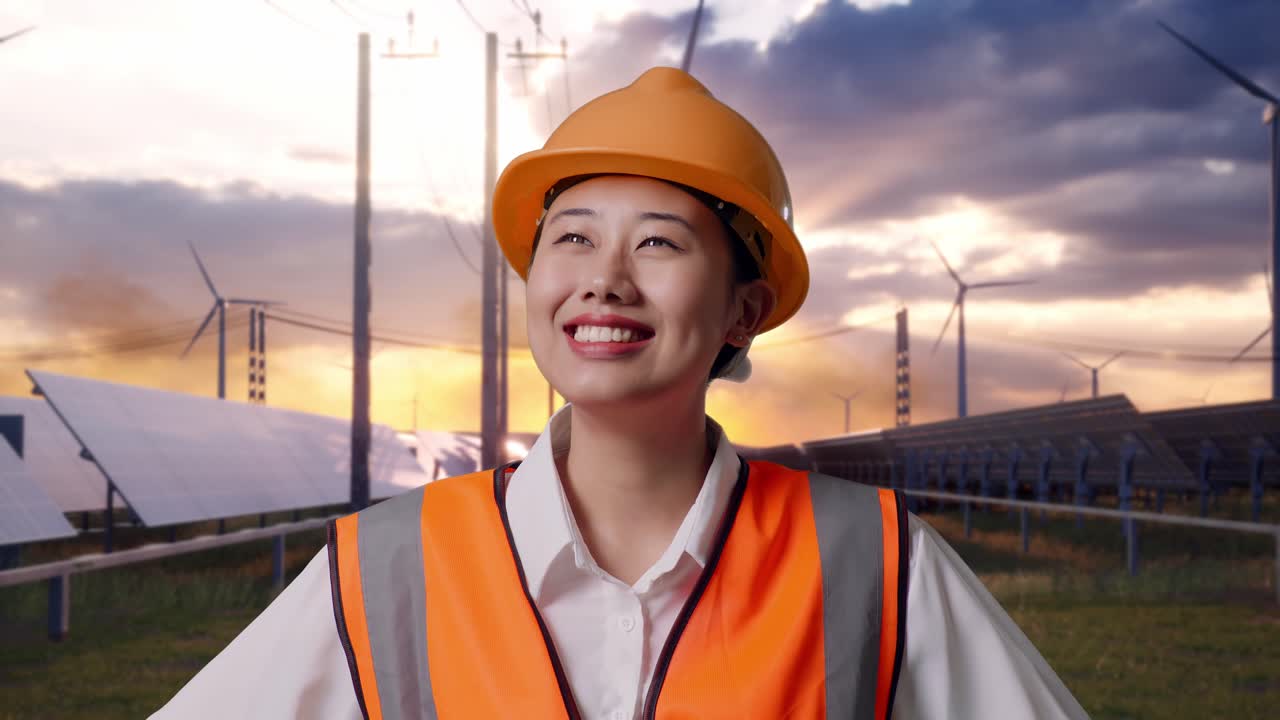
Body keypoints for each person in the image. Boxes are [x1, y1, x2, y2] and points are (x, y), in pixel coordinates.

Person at [151, 67, 1088, 719]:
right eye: (572, 237)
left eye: (659, 243)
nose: (604, 279)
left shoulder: (876, 563)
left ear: (742, 311)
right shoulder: (386, 567)